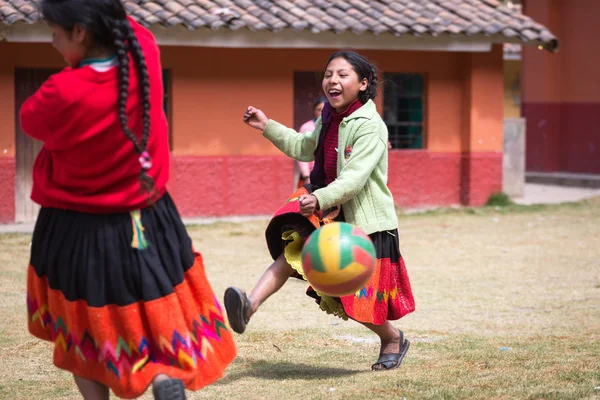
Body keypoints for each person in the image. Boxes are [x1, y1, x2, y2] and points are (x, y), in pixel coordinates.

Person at [22, 1, 235, 399]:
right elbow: (127, 24)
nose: (52, 42)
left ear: (80, 33)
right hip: (151, 219)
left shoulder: (61, 92)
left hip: (79, 227)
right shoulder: (145, 54)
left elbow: (29, 119)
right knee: (146, 306)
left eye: (54, 32)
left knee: (85, 326)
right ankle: (159, 375)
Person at [225, 51, 415, 371]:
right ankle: (248, 307)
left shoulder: (371, 126)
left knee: (354, 300)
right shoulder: (327, 114)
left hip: (365, 222)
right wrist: (266, 125)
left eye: (343, 75)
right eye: (329, 74)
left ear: (363, 83)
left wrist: (321, 198)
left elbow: (354, 178)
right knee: (289, 256)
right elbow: (303, 147)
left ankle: (392, 338)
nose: (333, 81)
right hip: (329, 212)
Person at [294, 96, 327, 189]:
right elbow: (301, 150)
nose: (321, 112)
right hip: (310, 173)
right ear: (314, 110)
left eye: (324, 109)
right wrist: (306, 175)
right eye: (319, 109)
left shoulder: (333, 125)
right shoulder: (306, 127)